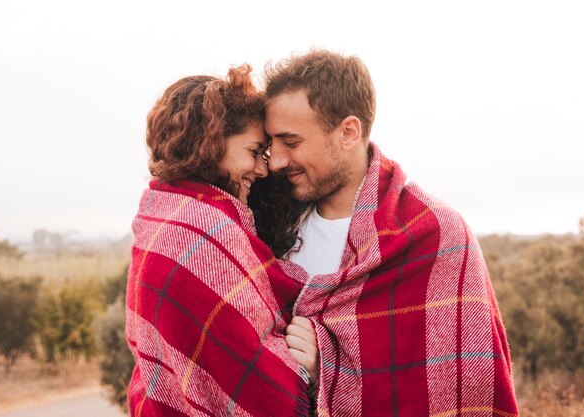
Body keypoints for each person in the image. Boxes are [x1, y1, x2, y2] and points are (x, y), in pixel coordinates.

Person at [263, 50, 520, 416]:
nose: (277, 162)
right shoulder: (267, 226)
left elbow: (461, 387)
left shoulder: (437, 234)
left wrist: (329, 370)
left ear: (348, 133)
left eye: (292, 143)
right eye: (273, 145)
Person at [125, 64, 318, 417]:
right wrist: (310, 369)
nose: (262, 170)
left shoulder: (158, 215)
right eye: (254, 151)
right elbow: (254, 379)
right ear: (212, 142)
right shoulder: (204, 230)